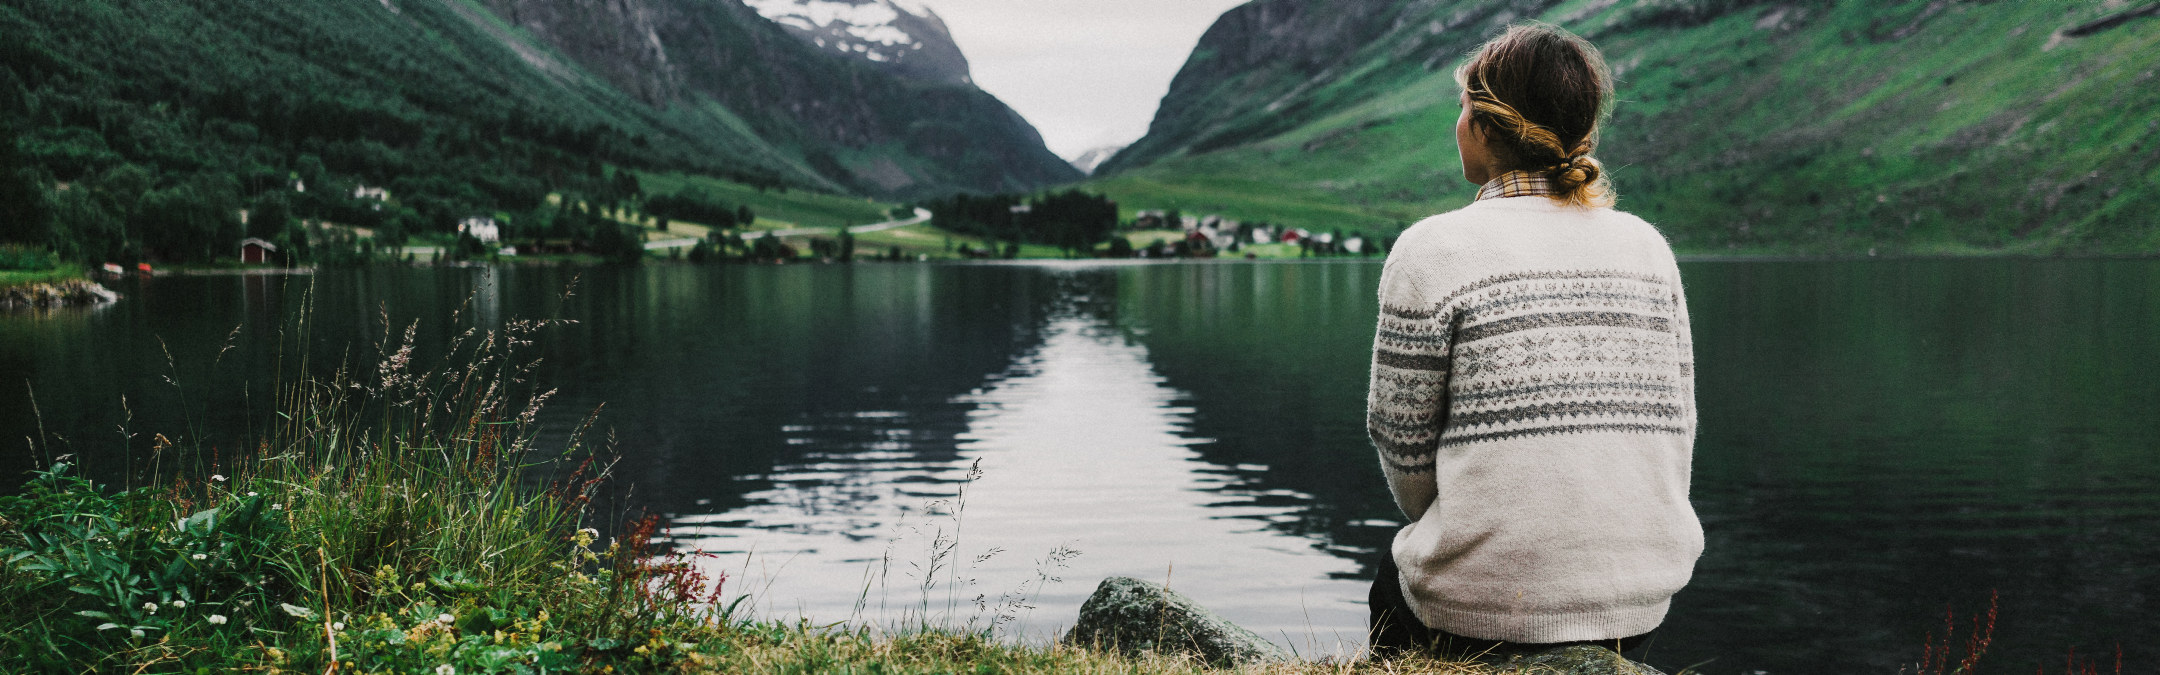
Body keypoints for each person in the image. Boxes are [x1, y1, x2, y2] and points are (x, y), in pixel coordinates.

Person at [1364, 21, 1703, 662]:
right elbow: (1675, 427)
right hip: (1639, 598)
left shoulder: (1433, 249)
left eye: (1463, 108)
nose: (1457, 125)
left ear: (1488, 128)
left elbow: (1402, 447)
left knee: (1390, 585)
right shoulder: (1647, 247)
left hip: (1477, 605)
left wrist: (1468, 522)